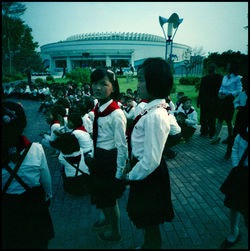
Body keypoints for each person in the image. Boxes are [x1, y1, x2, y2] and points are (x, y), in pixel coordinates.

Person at [123, 58, 174, 249]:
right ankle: (147, 245)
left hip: (149, 174)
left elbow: (152, 159)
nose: (138, 84)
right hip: (143, 170)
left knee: (151, 221)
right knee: (148, 221)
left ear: (156, 81)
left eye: (142, 79)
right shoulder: (150, 108)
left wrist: (129, 176)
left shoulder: (156, 114)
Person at [2, 101, 54, 249]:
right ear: (22, 124)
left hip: (8, 207)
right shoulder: (36, 149)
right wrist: (48, 196)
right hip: (34, 204)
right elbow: (46, 181)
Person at [86, 68, 128, 241]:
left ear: (113, 87)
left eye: (104, 84)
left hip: (109, 161)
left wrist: (119, 173)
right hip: (99, 158)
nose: (97, 87)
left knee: (110, 201)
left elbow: (122, 146)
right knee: (102, 197)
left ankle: (116, 231)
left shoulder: (116, 113)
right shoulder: (98, 106)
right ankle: (107, 219)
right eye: (95, 83)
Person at [219, 125, 248, 249]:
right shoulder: (243, 133)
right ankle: (233, 232)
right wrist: (236, 166)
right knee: (233, 205)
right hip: (240, 174)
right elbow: (235, 148)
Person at [210, 62, 242, 145]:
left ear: (232, 67)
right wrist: (219, 93)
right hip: (221, 100)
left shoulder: (237, 78)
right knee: (220, 119)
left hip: (229, 100)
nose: (226, 67)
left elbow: (239, 90)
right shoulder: (225, 77)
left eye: (228, 66)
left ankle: (230, 137)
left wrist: (229, 94)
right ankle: (215, 137)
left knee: (228, 120)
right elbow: (222, 87)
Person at [225, 74, 248, 159]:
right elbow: (235, 101)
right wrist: (237, 106)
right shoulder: (243, 94)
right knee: (235, 134)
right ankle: (229, 151)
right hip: (241, 116)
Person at [197, 62, 223, 137]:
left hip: (206, 101)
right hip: (212, 101)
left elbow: (201, 91)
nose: (208, 69)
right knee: (211, 118)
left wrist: (199, 101)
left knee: (205, 117)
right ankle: (211, 132)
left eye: (209, 68)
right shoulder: (220, 77)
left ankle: (205, 131)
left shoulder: (205, 78)